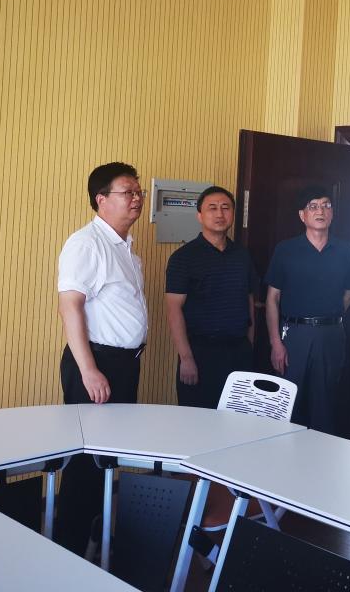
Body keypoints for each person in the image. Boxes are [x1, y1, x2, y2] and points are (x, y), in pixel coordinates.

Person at [55, 162, 148, 556]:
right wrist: (89, 370)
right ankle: (68, 551)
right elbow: (70, 306)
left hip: (123, 364)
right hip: (96, 364)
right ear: (101, 199)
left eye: (139, 192)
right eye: (128, 192)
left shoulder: (125, 247)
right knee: (86, 461)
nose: (137, 199)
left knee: (107, 456)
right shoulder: (86, 244)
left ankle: (95, 543)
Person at [265, 185, 350, 434]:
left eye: (326, 205)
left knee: (326, 405)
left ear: (332, 213)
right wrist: (276, 342)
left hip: (331, 335)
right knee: (289, 403)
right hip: (295, 334)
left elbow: (349, 293)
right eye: (313, 206)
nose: (320, 211)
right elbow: (272, 298)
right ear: (302, 215)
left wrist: (328, 314)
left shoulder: (345, 250)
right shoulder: (286, 250)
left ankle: (320, 456)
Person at [165, 186, 256, 409]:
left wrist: (249, 346)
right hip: (200, 354)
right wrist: (186, 358)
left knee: (237, 419)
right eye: (212, 208)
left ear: (233, 213)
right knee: (197, 421)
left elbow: (249, 302)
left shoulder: (243, 255)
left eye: (226, 208)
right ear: (199, 216)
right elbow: (173, 310)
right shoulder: (183, 258)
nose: (219, 214)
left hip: (239, 352)